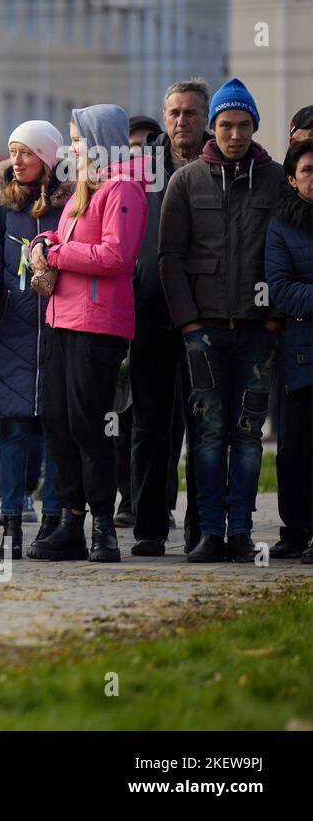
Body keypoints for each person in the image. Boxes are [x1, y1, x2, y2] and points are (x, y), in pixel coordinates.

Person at [159, 78, 288, 562]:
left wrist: (274, 320)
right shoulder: (186, 181)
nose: (235, 134)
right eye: (226, 125)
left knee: (248, 434)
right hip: (204, 332)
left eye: (244, 125)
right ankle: (209, 531)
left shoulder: (276, 181)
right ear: (213, 128)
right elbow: (169, 258)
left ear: (255, 127)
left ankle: (240, 532)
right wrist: (189, 325)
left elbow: (287, 255)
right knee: (209, 434)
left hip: (258, 332)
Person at [28, 105, 148, 562]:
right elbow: (63, 242)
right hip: (62, 318)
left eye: (77, 139)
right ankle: (71, 522)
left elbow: (117, 256)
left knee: (87, 423)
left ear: (101, 140)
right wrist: (43, 245)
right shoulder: (83, 191)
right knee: (57, 420)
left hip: (98, 324)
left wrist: (57, 255)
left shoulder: (123, 188)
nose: (71, 147)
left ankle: (104, 527)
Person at [0, 121, 71, 556]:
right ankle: (11, 520)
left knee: (54, 426)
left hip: (59, 325)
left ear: (47, 156)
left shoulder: (69, 205)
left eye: (27, 152)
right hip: (12, 329)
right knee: (11, 427)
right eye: (13, 152)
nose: (17, 160)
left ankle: (53, 520)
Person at [128, 79, 212, 555]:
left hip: (204, 318)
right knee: (149, 427)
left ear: (205, 118)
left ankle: (202, 529)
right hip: (149, 314)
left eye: (191, 114)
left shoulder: (217, 165)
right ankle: (149, 528)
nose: (182, 122)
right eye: (175, 113)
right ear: (165, 117)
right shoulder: (139, 169)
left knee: (203, 424)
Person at [265, 140, 313, 562]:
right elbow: (281, 289)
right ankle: (294, 529)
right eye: (308, 170)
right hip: (300, 355)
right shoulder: (282, 225)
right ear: (292, 178)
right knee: (295, 447)